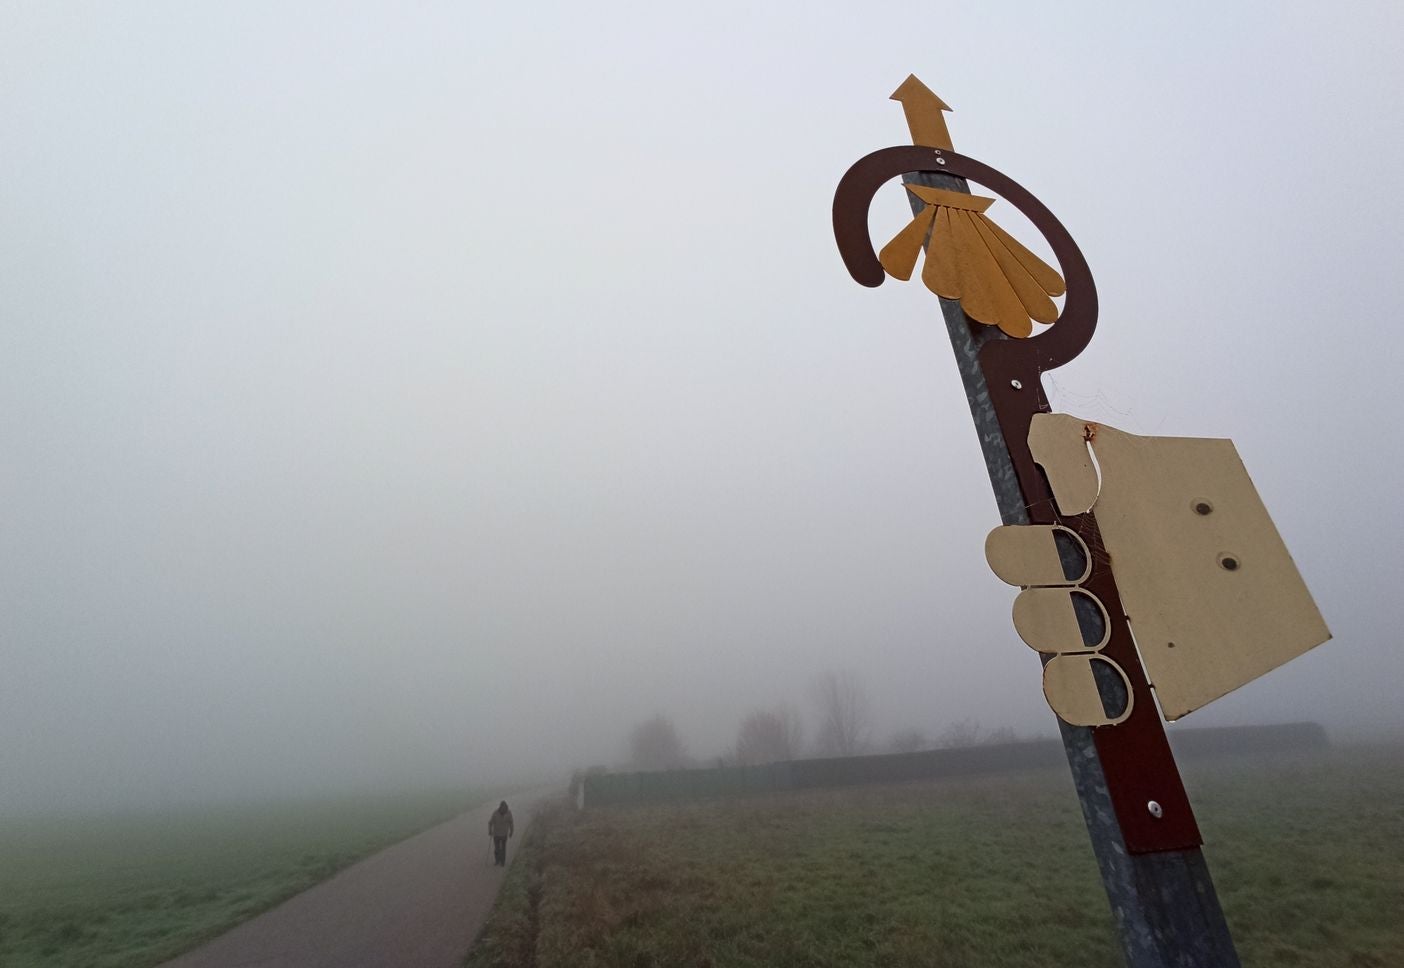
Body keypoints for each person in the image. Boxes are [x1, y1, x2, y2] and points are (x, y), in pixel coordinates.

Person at [488, 800, 514, 866]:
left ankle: (502, 862)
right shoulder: (495, 813)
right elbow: (490, 823)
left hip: (504, 834)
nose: (504, 810)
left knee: (503, 848)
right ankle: (497, 860)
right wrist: (490, 831)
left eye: (505, 808)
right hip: (496, 834)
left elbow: (511, 823)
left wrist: (511, 831)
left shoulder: (509, 813)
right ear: (500, 807)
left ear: (506, 807)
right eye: (502, 808)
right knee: (496, 849)